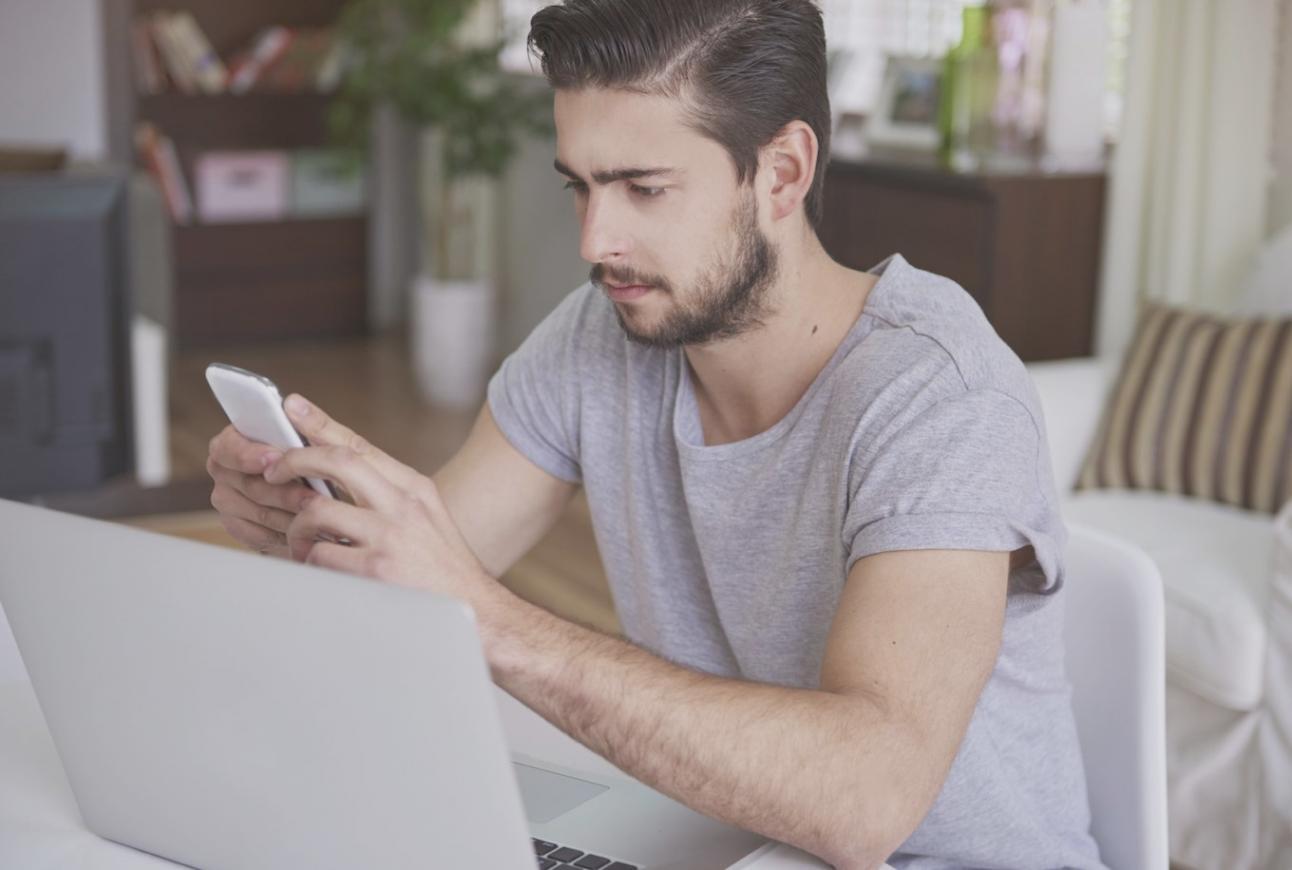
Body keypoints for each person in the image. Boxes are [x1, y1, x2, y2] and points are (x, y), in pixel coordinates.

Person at [205, 2, 1106, 867]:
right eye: (582, 188)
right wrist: (315, 525)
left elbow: (868, 801)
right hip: (733, 847)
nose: (598, 241)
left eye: (643, 188)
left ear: (783, 174)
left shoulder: (939, 395)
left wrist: (493, 619)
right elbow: (423, 586)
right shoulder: (600, 338)